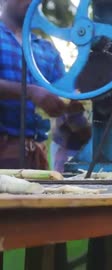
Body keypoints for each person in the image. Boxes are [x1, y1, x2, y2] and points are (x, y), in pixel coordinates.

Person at [0, 0, 67, 170]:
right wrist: (29, 92)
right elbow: (36, 93)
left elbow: (66, 95)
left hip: (37, 156)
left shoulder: (47, 50)